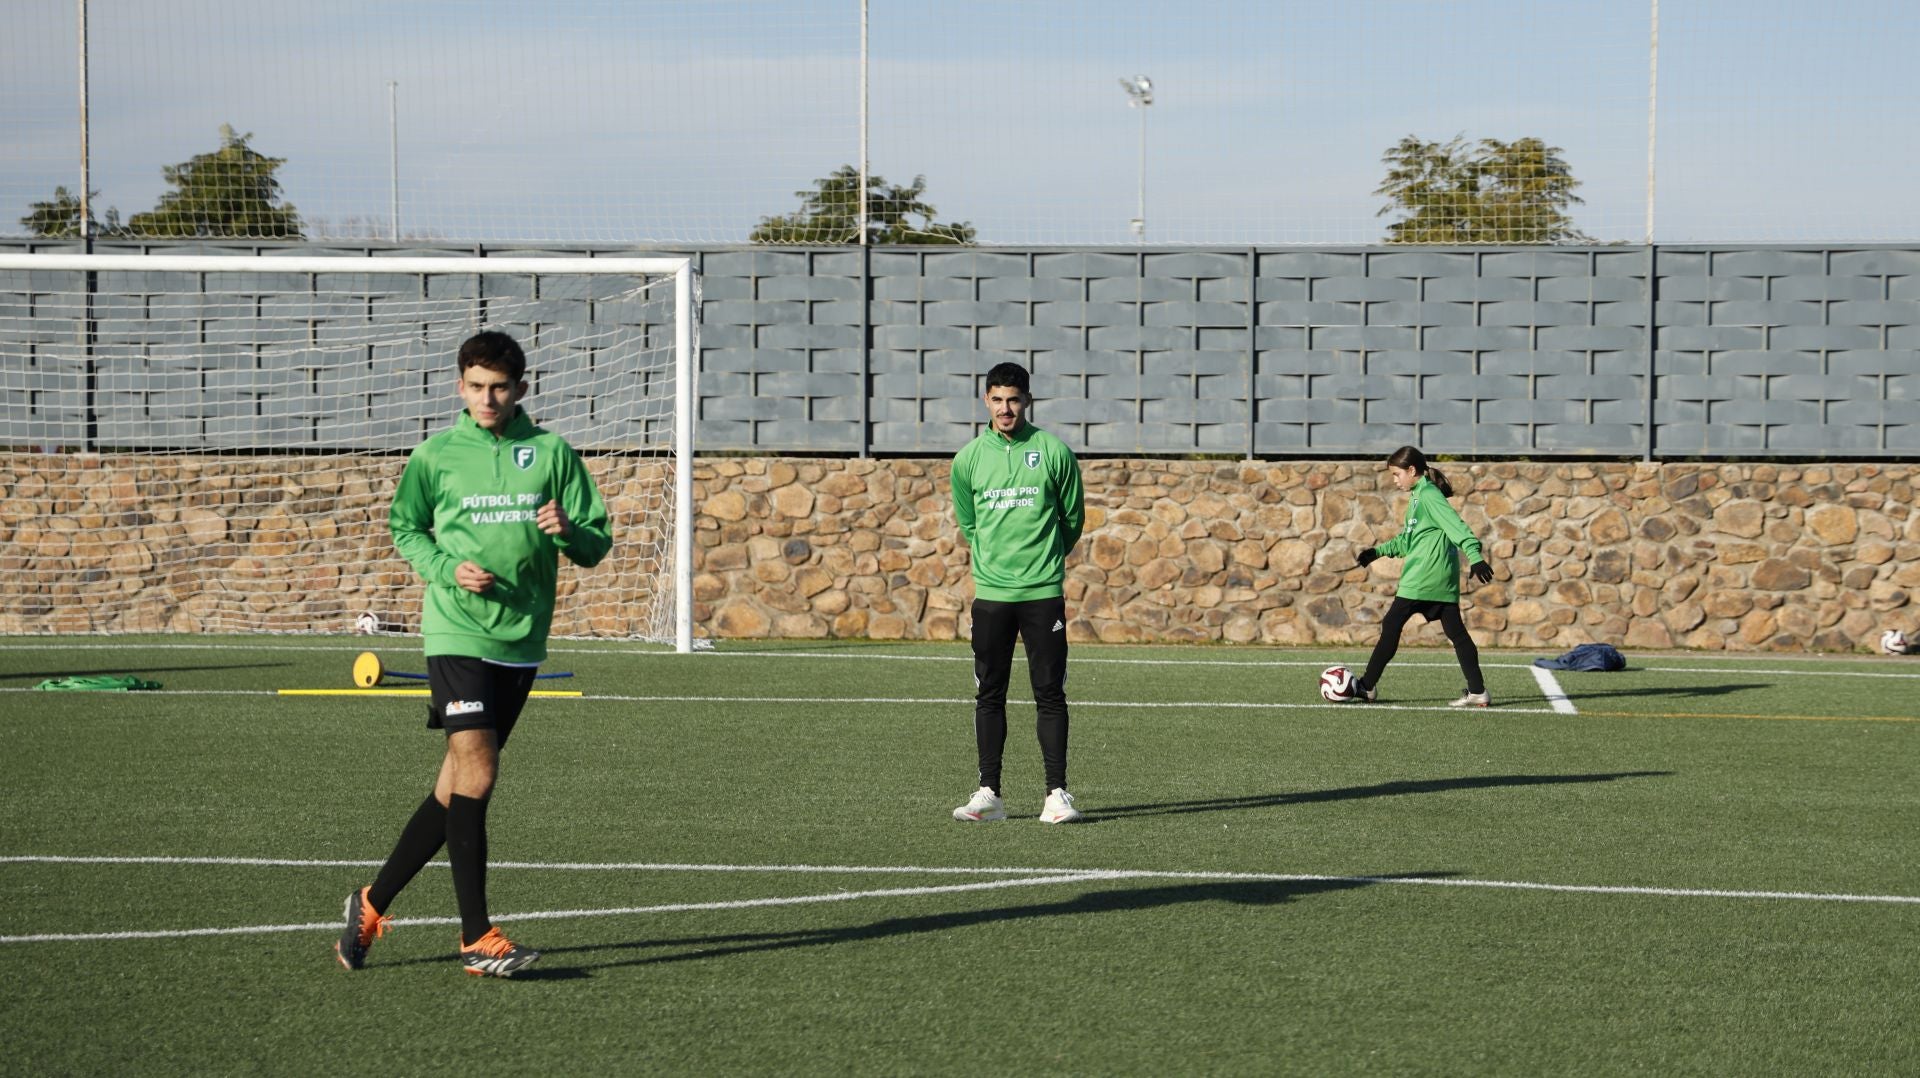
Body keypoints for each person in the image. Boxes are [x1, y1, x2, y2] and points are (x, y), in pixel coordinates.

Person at [334, 330, 611, 977]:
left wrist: (568, 531)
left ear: (521, 389)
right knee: (480, 773)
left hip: (520, 645)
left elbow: (596, 545)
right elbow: (407, 526)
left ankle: (370, 905)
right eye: (477, 387)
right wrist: (445, 568)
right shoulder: (436, 456)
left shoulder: (550, 454)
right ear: (461, 386)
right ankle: (477, 937)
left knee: (454, 788)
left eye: (500, 388)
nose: (488, 398)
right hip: (455, 632)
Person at [948, 362, 1086, 824]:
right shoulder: (968, 459)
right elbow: (969, 523)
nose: (1006, 409)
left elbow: (1072, 520)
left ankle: (1057, 794)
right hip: (991, 596)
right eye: (998, 400)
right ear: (986, 401)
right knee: (989, 694)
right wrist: (995, 565)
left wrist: (1045, 563)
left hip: (1043, 593)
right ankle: (990, 792)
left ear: (1027, 400)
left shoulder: (1052, 451)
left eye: (1014, 400)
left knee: (1050, 694)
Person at [1344, 445, 1495, 707]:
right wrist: (1377, 552)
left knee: (1391, 626)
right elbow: (1408, 541)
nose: (1394, 480)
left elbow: (1456, 526)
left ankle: (1367, 686)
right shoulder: (1418, 495)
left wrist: (1475, 556)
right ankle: (1477, 691)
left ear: (1411, 470)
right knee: (1457, 634)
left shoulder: (1428, 495)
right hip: (1440, 580)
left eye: (1396, 474)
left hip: (1422, 578)